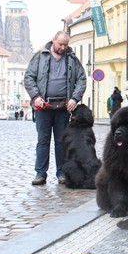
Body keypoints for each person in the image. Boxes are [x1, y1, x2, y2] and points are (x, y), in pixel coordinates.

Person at [23, 31, 87, 186]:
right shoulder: (40, 57)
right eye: (60, 44)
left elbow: (81, 79)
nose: (63, 47)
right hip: (43, 106)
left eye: (66, 45)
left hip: (63, 107)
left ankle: (62, 173)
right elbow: (29, 77)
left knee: (61, 142)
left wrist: (74, 98)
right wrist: (36, 97)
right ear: (53, 41)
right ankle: (40, 173)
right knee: (43, 141)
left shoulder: (72, 59)